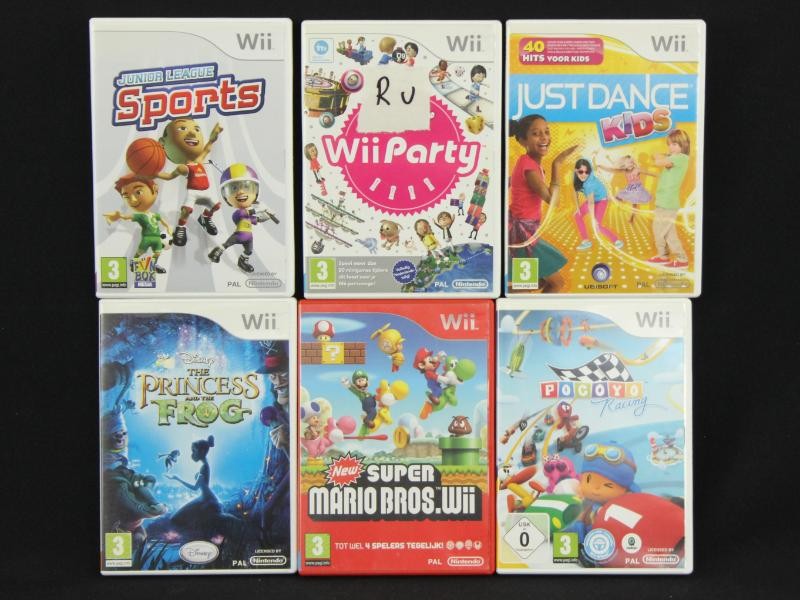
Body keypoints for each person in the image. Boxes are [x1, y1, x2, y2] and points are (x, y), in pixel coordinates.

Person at [507, 114, 576, 291]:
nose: (544, 137)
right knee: (556, 282)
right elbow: (553, 201)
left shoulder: (529, 163)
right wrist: (557, 164)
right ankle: (515, 301)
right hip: (522, 234)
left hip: (524, 231)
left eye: (546, 132)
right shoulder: (529, 167)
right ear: (523, 141)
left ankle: (514, 300)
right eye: (536, 134)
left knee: (531, 284)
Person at [649, 129, 691, 268]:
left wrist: (659, 156)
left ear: (683, 145)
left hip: (668, 203)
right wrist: (663, 155)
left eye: (674, 144)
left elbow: (658, 162)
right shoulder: (675, 158)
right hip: (664, 201)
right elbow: (662, 165)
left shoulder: (680, 158)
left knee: (659, 230)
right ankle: (666, 257)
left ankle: (678, 258)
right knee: (668, 233)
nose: (670, 147)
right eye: (669, 144)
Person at [572, 158, 623, 250]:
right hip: (592, 199)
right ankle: (586, 241)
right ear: (576, 171)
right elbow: (575, 192)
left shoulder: (589, 184)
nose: (584, 174)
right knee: (577, 215)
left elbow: (591, 203)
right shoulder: (575, 177)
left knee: (597, 226)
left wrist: (593, 219)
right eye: (581, 172)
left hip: (601, 201)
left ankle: (616, 240)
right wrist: (577, 208)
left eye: (587, 172)